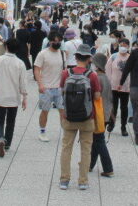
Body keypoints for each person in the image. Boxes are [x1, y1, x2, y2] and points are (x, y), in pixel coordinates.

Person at [58, 44, 102, 191]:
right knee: (86, 149)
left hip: (69, 117)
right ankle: (83, 181)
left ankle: (64, 180)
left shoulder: (66, 73)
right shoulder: (92, 75)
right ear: (89, 59)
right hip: (87, 118)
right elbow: (97, 96)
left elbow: (62, 93)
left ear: (76, 57)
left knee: (66, 148)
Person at [0, 39, 28, 157]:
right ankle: (7, 144)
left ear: (6, 47)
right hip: (13, 96)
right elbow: (23, 82)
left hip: (0, 95)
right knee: (11, 121)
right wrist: (24, 97)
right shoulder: (20, 63)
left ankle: (1, 138)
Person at [33, 31, 67, 142]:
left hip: (59, 88)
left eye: (59, 41)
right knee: (45, 111)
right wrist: (40, 84)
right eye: (55, 41)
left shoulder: (62, 54)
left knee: (62, 111)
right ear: (50, 41)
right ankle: (42, 132)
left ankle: (65, 133)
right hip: (46, 87)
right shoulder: (42, 54)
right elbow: (36, 69)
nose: (57, 43)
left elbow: (64, 70)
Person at [89, 52, 114, 177]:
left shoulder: (97, 78)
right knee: (96, 140)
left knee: (99, 140)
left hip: (99, 113)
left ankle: (108, 168)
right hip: (106, 112)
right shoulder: (105, 77)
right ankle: (90, 164)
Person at [106, 37, 131, 137]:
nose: (123, 47)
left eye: (125, 46)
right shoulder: (113, 57)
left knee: (124, 108)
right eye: (121, 45)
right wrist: (108, 84)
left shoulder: (131, 58)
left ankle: (123, 127)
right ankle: (111, 123)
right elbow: (108, 71)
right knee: (113, 107)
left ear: (128, 47)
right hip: (113, 87)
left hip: (126, 87)